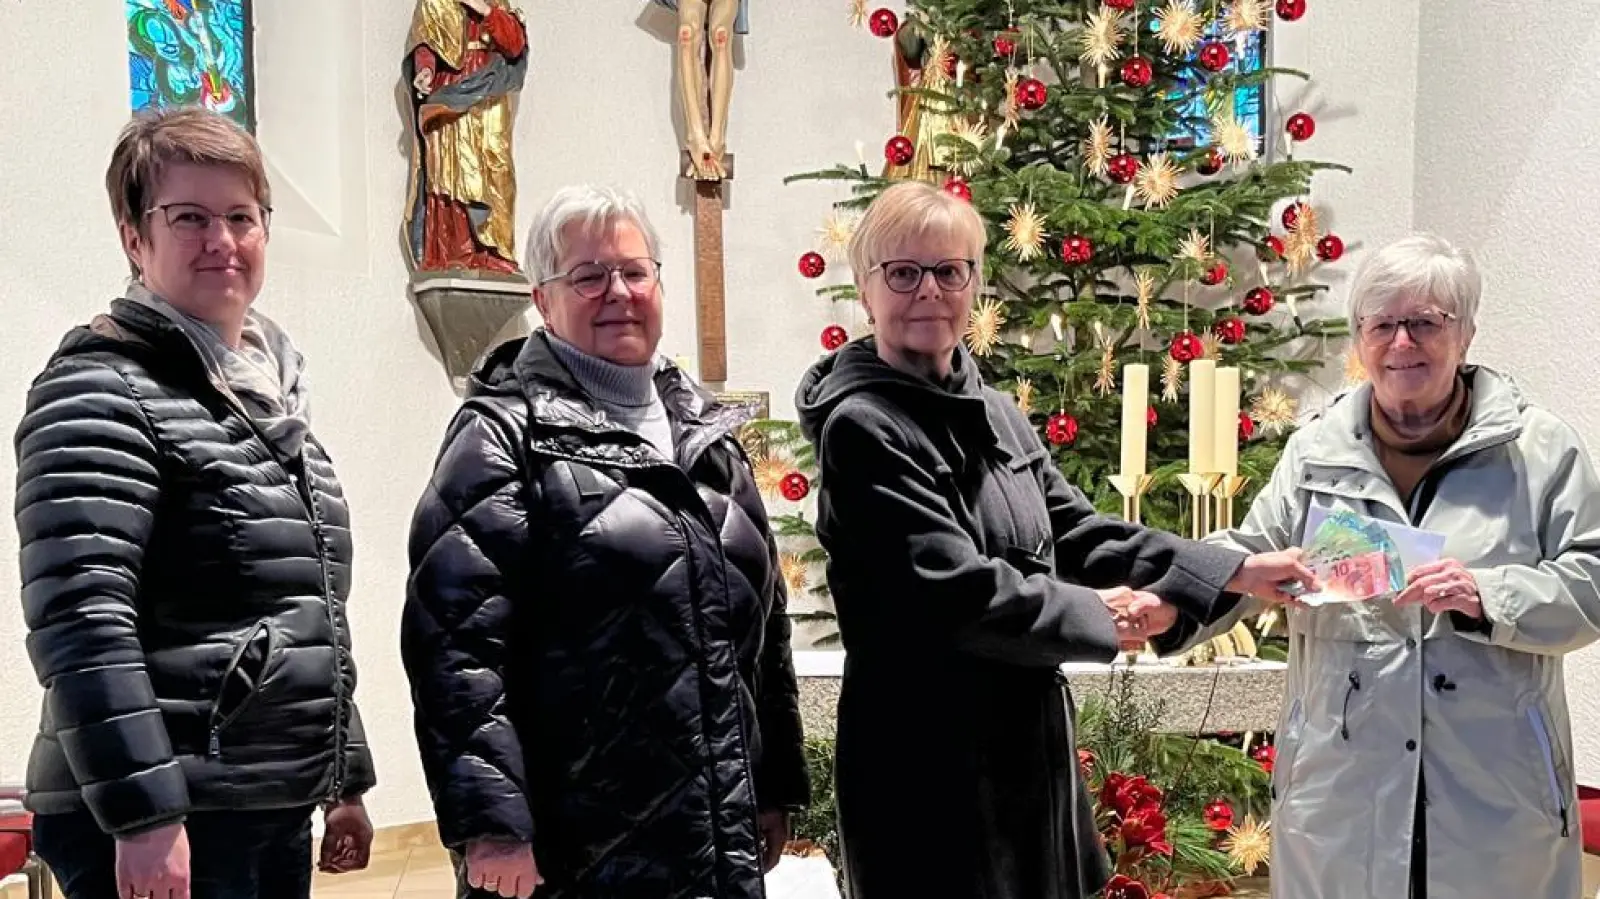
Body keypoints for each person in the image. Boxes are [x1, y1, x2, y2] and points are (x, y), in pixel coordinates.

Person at [791, 180, 1312, 899]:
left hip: (1025, 758)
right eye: (903, 272)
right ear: (866, 288)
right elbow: (953, 592)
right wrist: (1107, 617)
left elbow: (1076, 531)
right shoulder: (865, 426)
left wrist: (1230, 569)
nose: (929, 291)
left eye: (950, 270)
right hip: (926, 764)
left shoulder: (996, 411)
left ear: (975, 282)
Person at [402, 184, 809, 899]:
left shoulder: (711, 439)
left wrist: (771, 786)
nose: (617, 291)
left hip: (710, 835)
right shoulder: (502, 434)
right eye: (587, 276)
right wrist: (493, 823)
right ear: (542, 298)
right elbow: (456, 645)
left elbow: (762, 635)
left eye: (634, 270)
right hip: (575, 849)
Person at [15, 107, 376, 899]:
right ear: (133, 238)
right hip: (163, 807)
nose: (222, 239)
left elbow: (304, 604)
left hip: (256, 796)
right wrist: (143, 817)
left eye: (241, 216)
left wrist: (342, 773)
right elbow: (81, 618)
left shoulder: (269, 398)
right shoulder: (97, 388)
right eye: (190, 217)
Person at [1184, 233, 1600, 898]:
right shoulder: (1316, 452)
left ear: (1464, 335)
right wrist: (1170, 596)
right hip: (1343, 798)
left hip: (1494, 797)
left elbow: (1593, 578)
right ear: (1360, 337)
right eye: (1382, 324)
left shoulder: (1539, 451)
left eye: (1424, 323)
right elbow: (1251, 555)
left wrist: (1486, 593)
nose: (1401, 344)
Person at [403, 0, 529, 274]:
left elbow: (515, 44)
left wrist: (484, 10)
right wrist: (425, 70)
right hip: (450, 92)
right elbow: (426, 41)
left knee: (496, 168)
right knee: (451, 171)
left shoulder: (497, 2)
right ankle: (455, 255)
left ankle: (496, 253)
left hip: (490, 92)